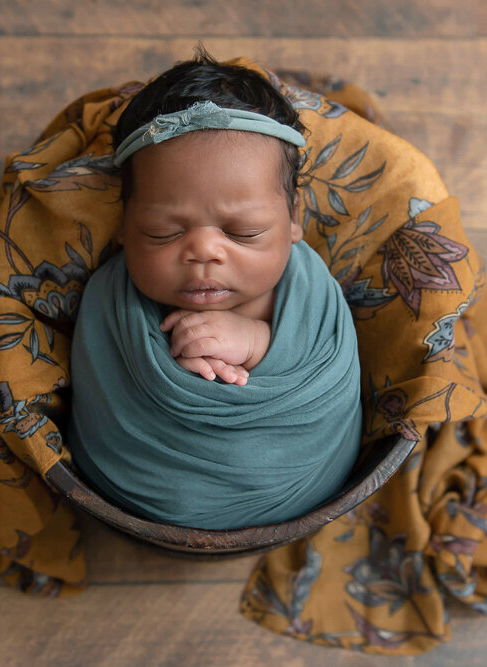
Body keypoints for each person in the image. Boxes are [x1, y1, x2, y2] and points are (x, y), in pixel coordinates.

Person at [66, 51, 364, 529]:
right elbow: (102, 391)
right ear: (124, 225)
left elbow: (331, 373)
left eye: (243, 232)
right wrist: (168, 365)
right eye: (163, 232)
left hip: (303, 479)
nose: (204, 252)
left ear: (293, 220)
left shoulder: (309, 287)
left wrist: (256, 342)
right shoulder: (110, 298)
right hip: (133, 490)